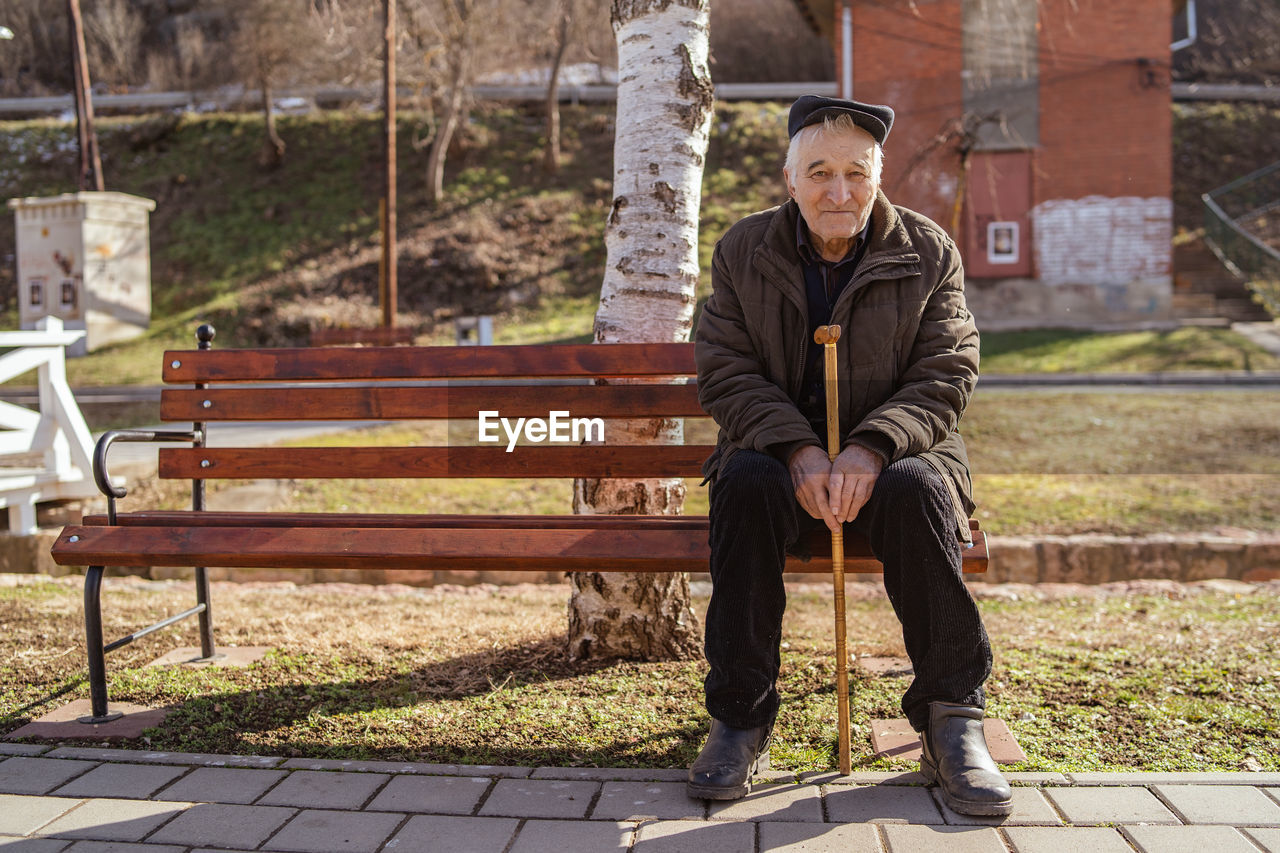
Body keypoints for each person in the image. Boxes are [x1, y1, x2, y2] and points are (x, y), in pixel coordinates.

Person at [688, 95, 1012, 817]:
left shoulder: (927, 251)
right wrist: (798, 447)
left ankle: (953, 717)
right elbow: (725, 370)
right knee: (741, 480)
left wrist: (869, 446)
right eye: (820, 172)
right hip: (779, 466)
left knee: (918, 490)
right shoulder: (744, 251)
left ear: (879, 176)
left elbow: (947, 371)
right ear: (790, 178)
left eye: (857, 174)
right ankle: (739, 715)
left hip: (901, 459)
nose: (840, 191)